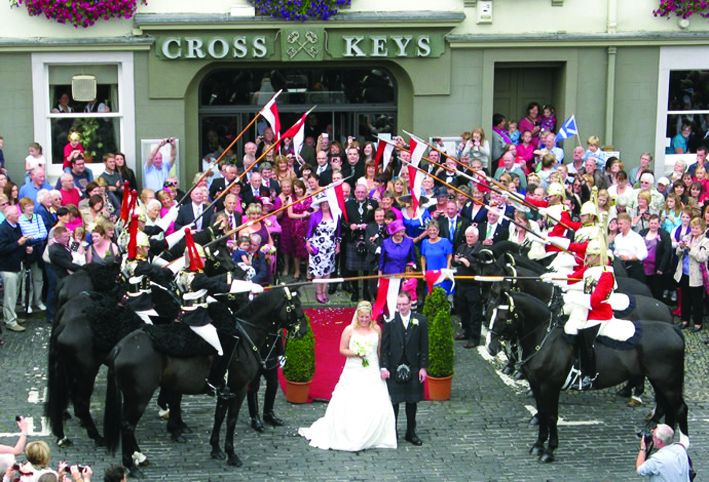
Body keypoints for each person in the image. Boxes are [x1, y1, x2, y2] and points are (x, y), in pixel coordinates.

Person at [298, 301, 396, 451]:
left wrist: (382, 367)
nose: (364, 320)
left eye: (367, 317)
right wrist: (356, 353)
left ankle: (377, 435)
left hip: (371, 368)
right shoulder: (349, 330)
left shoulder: (376, 329)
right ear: (357, 315)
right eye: (362, 317)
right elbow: (342, 349)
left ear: (371, 316)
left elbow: (379, 351)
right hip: (354, 368)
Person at [380, 292, 428, 446]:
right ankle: (392, 432)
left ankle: (411, 432)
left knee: (412, 402)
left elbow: (424, 346)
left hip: (413, 366)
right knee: (394, 402)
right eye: (399, 304)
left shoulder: (421, 320)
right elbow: (384, 347)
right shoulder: (390, 321)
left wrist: (423, 367)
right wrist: (384, 367)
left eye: (404, 304)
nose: (401, 307)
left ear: (410, 303)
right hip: (394, 367)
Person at [674, 217, 709, 332]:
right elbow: (678, 253)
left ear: (702, 229)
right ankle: (685, 320)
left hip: (696, 275)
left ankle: (698, 323)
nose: (694, 230)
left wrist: (690, 248)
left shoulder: (706, 241)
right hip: (684, 273)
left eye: (697, 228)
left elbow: (702, 257)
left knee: (696, 300)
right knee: (685, 299)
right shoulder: (687, 237)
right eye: (693, 227)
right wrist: (681, 247)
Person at [0, 205, 29, 333]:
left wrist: (26, 247)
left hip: (17, 264)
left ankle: (12, 316)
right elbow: (2, 249)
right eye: (16, 214)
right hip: (7, 267)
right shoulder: (2, 229)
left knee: (14, 294)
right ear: (9, 216)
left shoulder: (16, 226)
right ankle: (10, 321)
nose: (19, 215)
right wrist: (18, 243)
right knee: (10, 296)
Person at [305, 197, 340, 303]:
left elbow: (338, 232)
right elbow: (309, 231)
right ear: (319, 204)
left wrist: (338, 245)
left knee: (327, 271)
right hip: (317, 249)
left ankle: (324, 291)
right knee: (318, 272)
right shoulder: (314, 216)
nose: (325, 204)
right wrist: (308, 244)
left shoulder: (335, 215)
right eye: (322, 203)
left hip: (330, 249)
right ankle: (318, 292)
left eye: (327, 202)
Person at [453, 225, 483, 348]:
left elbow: (481, 269)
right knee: (463, 310)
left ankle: (474, 338)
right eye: (467, 237)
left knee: (474, 313)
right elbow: (454, 261)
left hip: (473, 285)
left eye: (471, 237)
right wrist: (456, 260)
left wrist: (468, 264)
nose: (469, 239)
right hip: (461, 284)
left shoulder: (481, 249)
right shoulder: (462, 247)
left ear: (477, 237)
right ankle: (466, 331)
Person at [18, 197, 48, 314]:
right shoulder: (20, 219)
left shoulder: (38, 217)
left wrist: (32, 238)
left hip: (37, 249)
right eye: (27, 206)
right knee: (27, 279)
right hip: (26, 251)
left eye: (31, 205)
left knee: (38, 278)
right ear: (23, 208)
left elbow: (44, 233)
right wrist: (28, 241)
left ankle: (38, 301)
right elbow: (22, 236)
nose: (30, 208)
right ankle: (27, 303)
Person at [420, 219, 453, 294]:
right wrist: (423, 272)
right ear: (427, 231)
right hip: (430, 275)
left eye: (434, 230)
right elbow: (423, 258)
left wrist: (447, 271)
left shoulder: (445, 241)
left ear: (438, 231)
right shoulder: (425, 243)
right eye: (430, 230)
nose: (432, 232)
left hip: (443, 276)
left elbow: (449, 256)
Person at [614, 212, 649, 282]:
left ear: (628, 224)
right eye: (618, 224)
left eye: (621, 224)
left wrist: (628, 257)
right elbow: (616, 251)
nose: (619, 226)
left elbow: (644, 254)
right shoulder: (617, 237)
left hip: (634, 268)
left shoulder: (636, 237)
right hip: (620, 268)